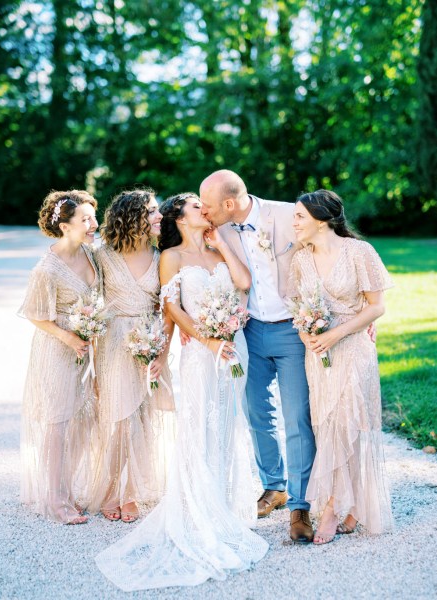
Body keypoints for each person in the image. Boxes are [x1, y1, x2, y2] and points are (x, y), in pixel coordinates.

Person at [95, 192, 268, 591]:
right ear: (179, 216)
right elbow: (172, 310)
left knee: (228, 424)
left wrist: (221, 244)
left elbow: (243, 283)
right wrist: (205, 342)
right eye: (196, 207)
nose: (204, 211)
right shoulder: (170, 257)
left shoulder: (218, 247)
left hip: (233, 348)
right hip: (202, 352)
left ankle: (223, 505)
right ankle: (195, 510)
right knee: (198, 426)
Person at [199, 170, 316, 543]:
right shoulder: (218, 229)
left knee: (297, 415)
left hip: (291, 330)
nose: (204, 211)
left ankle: (301, 504)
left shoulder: (287, 215)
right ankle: (274, 485)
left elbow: (330, 249)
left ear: (229, 204)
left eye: (209, 205)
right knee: (256, 412)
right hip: (249, 330)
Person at [286, 189, 394, 544]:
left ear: (321, 220)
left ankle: (332, 509)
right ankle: (352, 505)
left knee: (348, 423)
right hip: (317, 354)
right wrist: (310, 339)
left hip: (354, 346)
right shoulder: (300, 260)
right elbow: (298, 309)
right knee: (327, 423)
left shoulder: (359, 252)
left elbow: (376, 307)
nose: (295, 222)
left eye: (300, 216)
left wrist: (336, 335)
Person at [89, 188, 175, 523]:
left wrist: (162, 352)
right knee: (120, 420)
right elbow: (84, 293)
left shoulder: (161, 255)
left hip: (148, 342)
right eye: (152, 211)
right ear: (133, 217)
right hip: (113, 342)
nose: (159, 217)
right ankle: (113, 489)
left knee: (143, 418)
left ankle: (133, 491)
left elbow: (167, 309)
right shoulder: (103, 254)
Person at [19, 189, 100, 524]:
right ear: (65, 226)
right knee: (58, 422)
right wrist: (69, 336)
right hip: (57, 349)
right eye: (86, 219)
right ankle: (55, 500)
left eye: (94, 216)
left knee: (82, 419)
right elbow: (36, 315)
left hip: (86, 347)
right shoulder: (46, 269)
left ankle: (67, 488)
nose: (94, 223)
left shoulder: (91, 253)